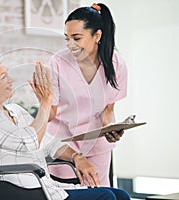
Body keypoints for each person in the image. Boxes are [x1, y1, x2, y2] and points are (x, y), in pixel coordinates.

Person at [0, 51, 130, 200]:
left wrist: (78, 158)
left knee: (120, 195)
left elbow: (50, 144)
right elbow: (29, 142)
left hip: (43, 186)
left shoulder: (15, 111)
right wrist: (46, 102)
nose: (11, 80)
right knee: (105, 197)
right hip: (15, 188)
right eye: (3, 77)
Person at [47, 3, 128, 187]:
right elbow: (49, 113)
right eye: (67, 38)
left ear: (97, 36)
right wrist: (43, 100)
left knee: (102, 195)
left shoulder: (116, 64)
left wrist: (111, 130)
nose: (70, 45)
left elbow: (108, 111)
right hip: (65, 144)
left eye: (76, 38)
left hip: (98, 146)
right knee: (70, 194)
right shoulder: (58, 62)